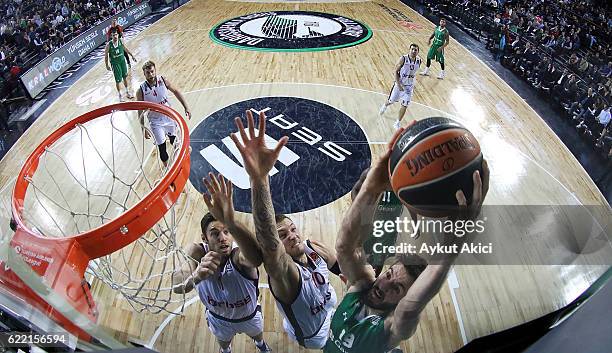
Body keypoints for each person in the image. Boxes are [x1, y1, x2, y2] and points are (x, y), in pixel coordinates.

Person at [324, 124, 489, 353]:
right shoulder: (361, 287)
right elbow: (344, 247)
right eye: (390, 275)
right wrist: (373, 185)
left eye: (398, 289)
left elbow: (411, 310)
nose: (385, 284)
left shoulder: (391, 327)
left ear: (403, 300)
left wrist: (454, 242)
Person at [229, 111, 342, 349]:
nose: (292, 235)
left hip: (328, 304)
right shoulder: (285, 273)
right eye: (284, 235)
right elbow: (269, 243)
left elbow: (339, 264)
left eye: (292, 229)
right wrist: (260, 179)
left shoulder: (312, 247)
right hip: (316, 335)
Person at [172, 174, 272, 353]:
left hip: (248, 316)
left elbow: (256, 259)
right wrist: (196, 275)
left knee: (258, 335)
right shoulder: (196, 252)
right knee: (223, 343)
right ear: (204, 238)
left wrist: (231, 222)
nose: (223, 238)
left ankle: (260, 345)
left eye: (227, 232)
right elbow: (177, 286)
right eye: (215, 233)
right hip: (219, 319)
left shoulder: (237, 255)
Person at [136, 60, 191, 167]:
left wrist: (186, 107)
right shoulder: (141, 90)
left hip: (169, 118)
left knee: (174, 141)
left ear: (155, 70)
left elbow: (176, 91)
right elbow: (140, 111)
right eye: (148, 72)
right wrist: (143, 128)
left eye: (152, 71)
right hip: (156, 122)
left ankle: (179, 163)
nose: (151, 74)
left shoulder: (163, 80)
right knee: (162, 148)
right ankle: (167, 169)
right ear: (144, 74)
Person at [379, 44, 421, 130]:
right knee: (391, 100)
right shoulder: (403, 59)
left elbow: (413, 73)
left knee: (405, 104)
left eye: (415, 50)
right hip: (399, 85)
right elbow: (395, 71)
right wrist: (398, 84)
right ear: (409, 50)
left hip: (409, 87)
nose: (413, 51)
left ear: (418, 52)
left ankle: (397, 122)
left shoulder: (419, 61)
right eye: (412, 49)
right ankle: (385, 105)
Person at [105, 27, 136, 102]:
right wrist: (107, 65)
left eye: (116, 34)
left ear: (118, 35)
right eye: (113, 35)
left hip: (122, 62)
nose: (115, 36)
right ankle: (120, 96)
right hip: (115, 64)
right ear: (111, 37)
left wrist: (132, 55)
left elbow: (125, 49)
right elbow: (106, 56)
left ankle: (127, 92)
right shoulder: (108, 45)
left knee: (125, 77)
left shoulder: (121, 41)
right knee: (118, 81)